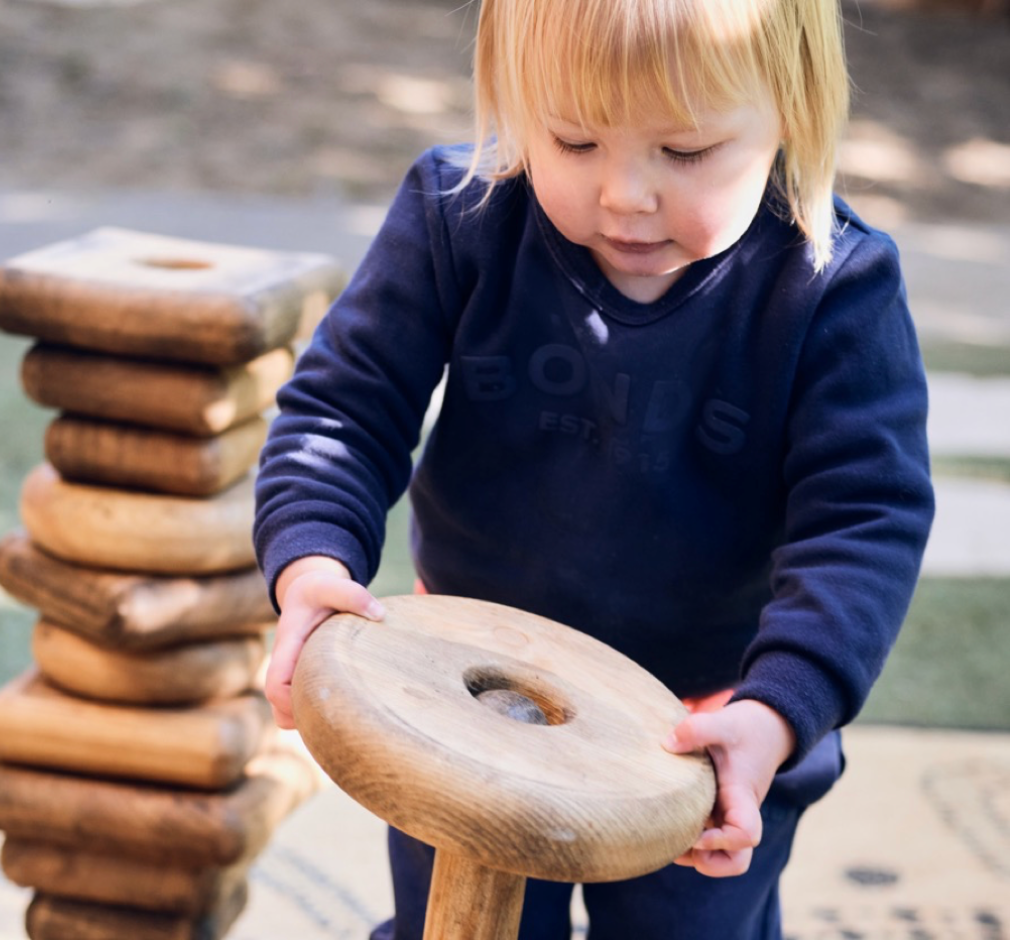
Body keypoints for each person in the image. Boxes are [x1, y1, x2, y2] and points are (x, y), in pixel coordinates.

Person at [252, 0, 935, 934]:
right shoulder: (464, 216)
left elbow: (865, 521)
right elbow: (343, 405)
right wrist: (312, 564)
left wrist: (779, 710)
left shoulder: (830, 289)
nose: (624, 193)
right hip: (472, 708)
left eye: (685, 151)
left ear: (792, 112)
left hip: (706, 736)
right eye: (572, 140)